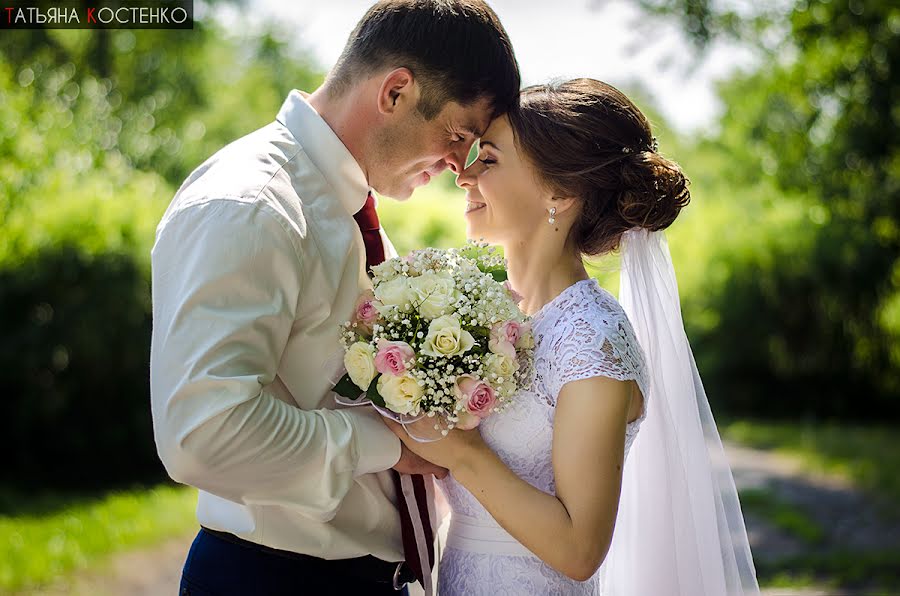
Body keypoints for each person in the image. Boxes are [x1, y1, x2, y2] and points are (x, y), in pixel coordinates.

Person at [149, 2, 519, 595]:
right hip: (272, 578)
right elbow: (204, 433)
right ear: (395, 91)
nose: (458, 165)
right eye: (458, 134)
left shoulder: (350, 211)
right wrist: (389, 447)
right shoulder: (252, 205)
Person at [387, 78, 760, 595]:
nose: (464, 175)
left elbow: (580, 550)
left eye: (489, 160)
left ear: (559, 194)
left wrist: (463, 454)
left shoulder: (593, 341)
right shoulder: (486, 315)